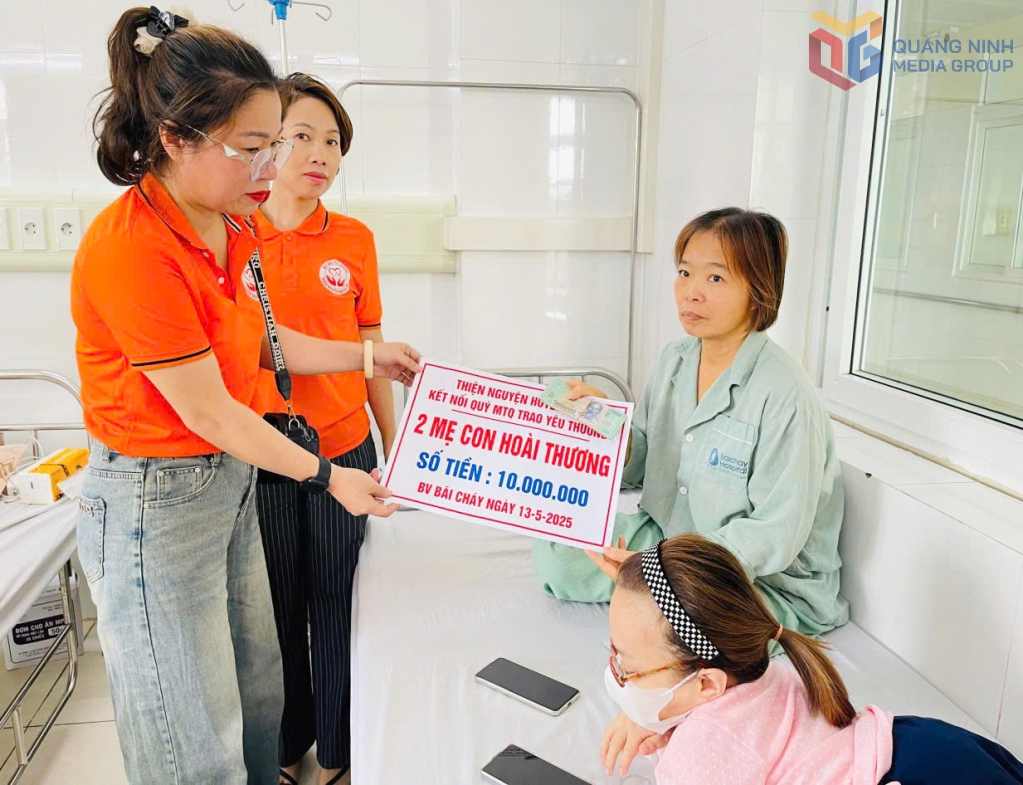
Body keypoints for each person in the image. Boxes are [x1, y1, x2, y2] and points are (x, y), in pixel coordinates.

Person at [72, 8, 420, 784]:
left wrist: (368, 354)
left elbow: (258, 338)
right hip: (153, 502)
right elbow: (209, 408)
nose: (272, 167)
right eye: (252, 148)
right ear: (176, 139)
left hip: (223, 480)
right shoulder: (134, 249)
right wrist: (330, 477)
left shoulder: (231, 225)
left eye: (276, 145)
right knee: (191, 731)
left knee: (258, 693)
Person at [533, 207, 848, 639]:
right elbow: (645, 462)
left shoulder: (785, 394)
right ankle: (658, 596)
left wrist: (664, 573)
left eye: (715, 278)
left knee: (674, 630)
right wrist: (606, 424)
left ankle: (687, 609)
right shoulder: (675, 360)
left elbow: (775, 533)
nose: (691, 293)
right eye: (684, 273)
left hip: (753, 578)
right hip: (671, 536)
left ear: (758, 290)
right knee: (559, 552)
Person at [600, 533, 1023, 784]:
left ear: (707, 682)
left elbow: (717, 750)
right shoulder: (762, 670)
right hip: (927, 745)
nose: (616, 675)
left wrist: (675, 746)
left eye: (628, 669)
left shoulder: (700, 754)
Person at [251, 73, 394, 785]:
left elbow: (373, 352)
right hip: (264, 454)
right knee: (274, 610)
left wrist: (394, 444)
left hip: (345, 446)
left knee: (338, 604)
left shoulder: (353, 240)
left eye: (332, 141)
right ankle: (285, 745)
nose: (320, 154)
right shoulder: (234, 235)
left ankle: (337, 753)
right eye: (301, 136)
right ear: (265, 145)